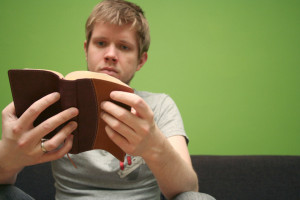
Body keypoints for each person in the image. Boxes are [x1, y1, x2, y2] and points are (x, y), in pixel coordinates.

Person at [0, 0, 215, 199]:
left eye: (124, 46)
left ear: (141, 60)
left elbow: (188, 189)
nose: (111, 54)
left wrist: (154, 146)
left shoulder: (160, 106)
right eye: (101, 43)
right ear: (86, 49)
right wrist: (8, 157)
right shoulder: (50, 101)